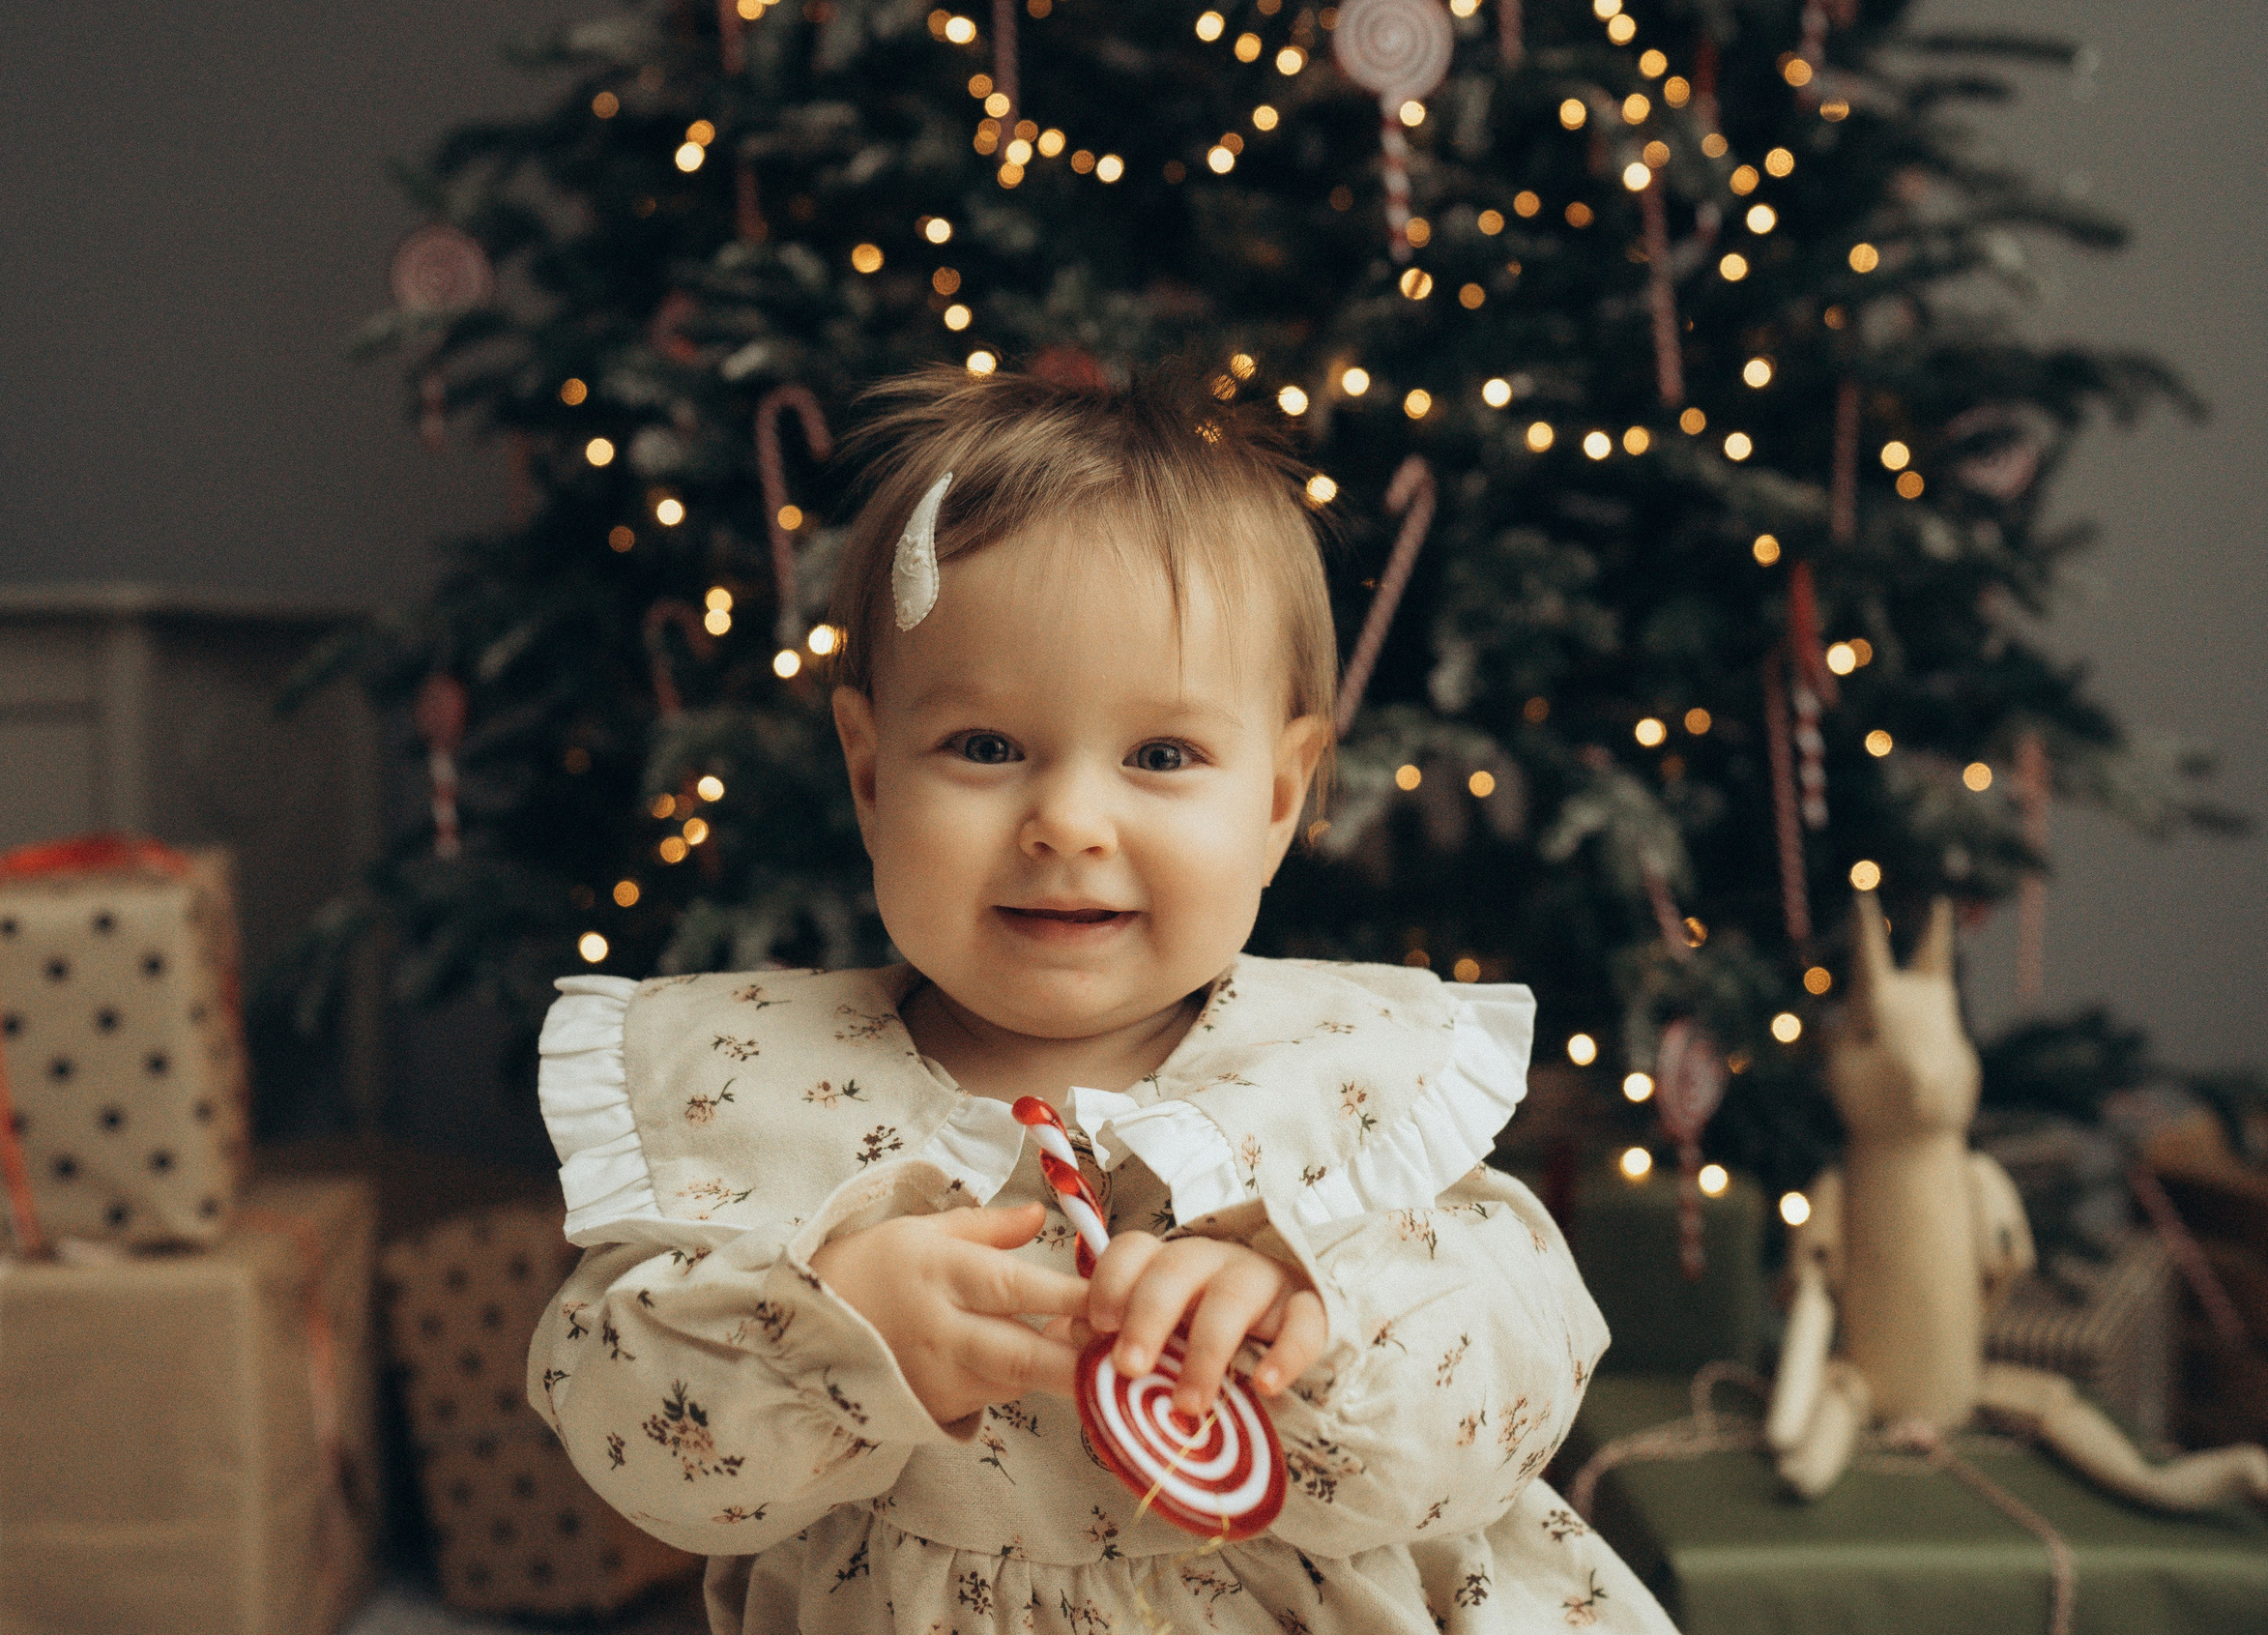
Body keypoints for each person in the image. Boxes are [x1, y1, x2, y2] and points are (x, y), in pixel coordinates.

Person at [528, 365, 1673, 1633]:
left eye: (1163, 755)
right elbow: (627, 1432)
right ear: (868, 772)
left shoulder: (1348, 1072)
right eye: (986, 748)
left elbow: (1525, 1360)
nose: (1068, 821)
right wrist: (830, 1334)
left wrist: (1324, 1327)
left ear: (1282, 795)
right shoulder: (760, 1089)